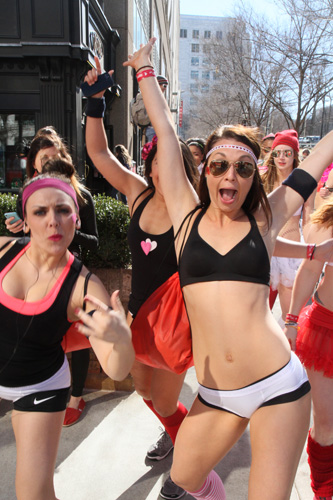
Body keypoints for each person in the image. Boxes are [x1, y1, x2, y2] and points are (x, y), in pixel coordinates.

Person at [122, 38, 333, 499]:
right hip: (217, 394)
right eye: (219, 165)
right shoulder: (185, 216)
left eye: (242, 167)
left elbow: (314, 163)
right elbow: (164, 128)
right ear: (205, 173)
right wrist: (144, 70)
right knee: (183, 481)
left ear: (253, 176)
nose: (230, 175)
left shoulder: (269, 217)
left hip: (279, 384)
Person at [84, 57, 198, 500]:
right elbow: (98, 154)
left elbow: (167, 134)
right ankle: (176, 433)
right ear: (149, 165)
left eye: (168, 163)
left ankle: (189, 465)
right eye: (154, 163)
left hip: (176, 321)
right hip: (138, 317)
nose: (158, 169)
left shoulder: (190, 209)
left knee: (167, 401)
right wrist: (94, 104)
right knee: (145, 392)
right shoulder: (136, 193)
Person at [0, 171, 134, 500]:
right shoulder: (3, 251)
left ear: (76, 217)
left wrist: (120, 338)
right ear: (25, 222)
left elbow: (118, 370)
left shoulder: (85, 287)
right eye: (40, 212)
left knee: (34, 494)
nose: (53, 222)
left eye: (62, 210)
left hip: (41, 386)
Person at [5, 129, 99, 427]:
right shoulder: (27, 195)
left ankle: (76, 395)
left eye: (55, 156)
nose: (49, 161)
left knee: (81, 338)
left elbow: (94, 240)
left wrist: (64, 234)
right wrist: (26, 231)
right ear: (33, 162)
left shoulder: (80, 195)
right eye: (43, 157)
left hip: (69, 278)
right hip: (37, 275)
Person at [285, 200, 333, 500]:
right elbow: (310, 268)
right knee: (327, 425)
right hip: (324, 332)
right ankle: (324, 491)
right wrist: (290, 320)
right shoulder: (328, 220)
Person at [262, 129, 316, 318]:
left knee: (290, 316)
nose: (282, 158)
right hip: (266, 250)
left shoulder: (305, 183)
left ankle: (290, 348)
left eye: (288, 153)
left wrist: (312, 248)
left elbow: (309, 216)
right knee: (259, 313)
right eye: (278, 153)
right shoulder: (262, 180)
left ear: (295, 155)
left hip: (291, 253)